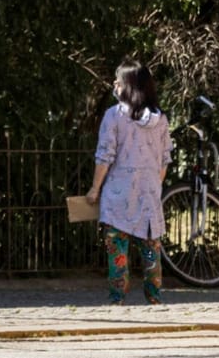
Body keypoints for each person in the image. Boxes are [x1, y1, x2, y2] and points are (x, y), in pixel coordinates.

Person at [86, 59, 171, 305]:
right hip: (149, 195)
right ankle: (154, 298)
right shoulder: (161, 120)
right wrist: (153, 184)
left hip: (118, 195)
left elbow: (105, 156)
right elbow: (165, 160)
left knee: (117, 250)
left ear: (128, 86)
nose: (115, 85)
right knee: (151, 249)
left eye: (118, 81)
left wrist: (95, 189)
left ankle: (117, 299)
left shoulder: (113, 117)